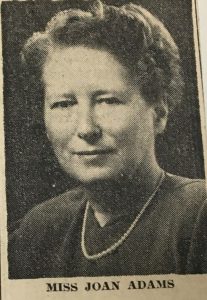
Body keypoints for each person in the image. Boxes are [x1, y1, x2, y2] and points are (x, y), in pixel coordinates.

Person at [9, 0, 207, 279]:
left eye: (108, 101)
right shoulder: (37, 230)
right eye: (64, 104)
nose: (86, 128)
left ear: (159, 114)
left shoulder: (198, 215)